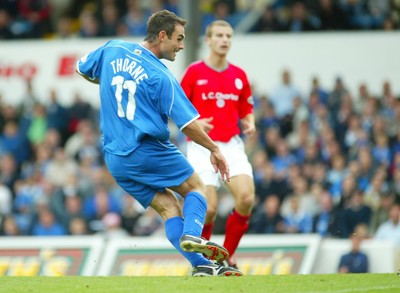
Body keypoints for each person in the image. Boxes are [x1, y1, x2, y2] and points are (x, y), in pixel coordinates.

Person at [75, 10, 242, 277]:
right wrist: (214, 149)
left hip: (116, 159)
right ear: (161, 36)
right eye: (178, 38)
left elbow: (81, 68)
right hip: (147, 149)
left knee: (168, 208)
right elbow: (188, 124)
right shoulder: (161, 76)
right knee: (196, 188)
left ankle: (201, 266)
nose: (182, 45)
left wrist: (104, 81)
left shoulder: (113, 48)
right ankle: (192, 235)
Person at [180, 20, 255, 269]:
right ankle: (202, 262)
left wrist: (250, 122)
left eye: (229, 36)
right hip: (201, 146)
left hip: (231, 145)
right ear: (208, 40)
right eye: (220, 35)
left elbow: (246, 108)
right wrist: (197, 122)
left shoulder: (239, 75)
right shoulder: (194, 72)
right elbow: (178, 108)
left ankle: (226, 257)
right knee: (209, 208)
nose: (225, 40)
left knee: (245, 198)